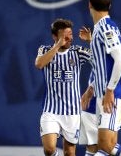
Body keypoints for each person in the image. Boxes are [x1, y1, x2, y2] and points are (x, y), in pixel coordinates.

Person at [35, 18, 92, 156]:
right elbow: (39, 64)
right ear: (55, 36)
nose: (69, 39)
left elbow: (101, 59)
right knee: (49, 149)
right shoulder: (45, 49)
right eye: (65, 36)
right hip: (51, 110)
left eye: (71, 35)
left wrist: (91, 41)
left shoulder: (77, 52)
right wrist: (57, 46)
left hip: (72, 112)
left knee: (69, 152)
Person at [88, 0, 121, 156]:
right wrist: (91, 89)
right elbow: (101, 64)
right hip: (103, 93)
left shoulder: (106, 28)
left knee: (105, 146)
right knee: (109, 146)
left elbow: (120, 59)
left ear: (89, 5)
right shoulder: (100, 28)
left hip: (112, 94)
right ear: (110, 5)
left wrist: (109, 90)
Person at [79, 71, 98, 156]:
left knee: (108, 147)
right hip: (91, 110)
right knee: (93, 147)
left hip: (107, 112)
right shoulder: (99, 64)